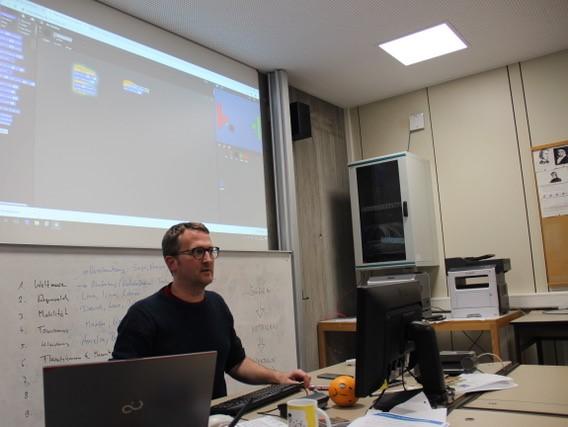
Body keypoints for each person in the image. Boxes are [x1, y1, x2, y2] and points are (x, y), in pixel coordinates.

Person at [112, 222, 310, 399]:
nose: (208, 259)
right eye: (198, 252)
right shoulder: (143, 315)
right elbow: (120, 382)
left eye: (210, 251)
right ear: (172, 263)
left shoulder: (217, 304)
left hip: (219, 418)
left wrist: (279, 377)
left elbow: (236, 363)